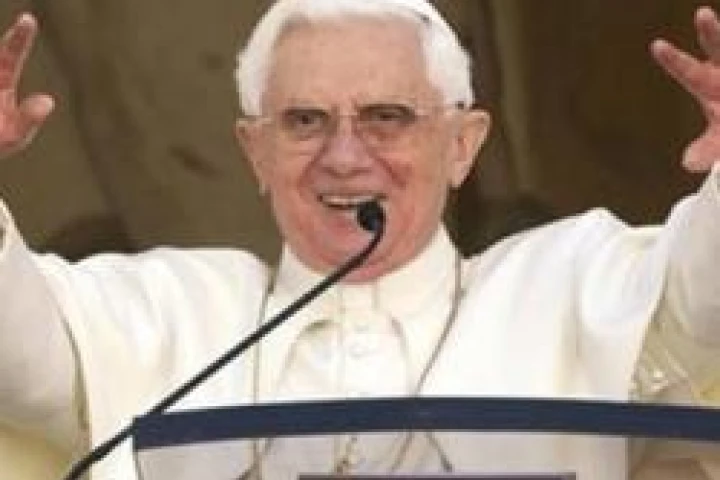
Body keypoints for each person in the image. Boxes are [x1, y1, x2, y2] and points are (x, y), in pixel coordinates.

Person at [0, 0, 719, 479]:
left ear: (462, 145)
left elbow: (705, 296)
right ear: (255, 152)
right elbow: (19, 355)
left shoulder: (566, 284)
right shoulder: (168, 312)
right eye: (304, 121)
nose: (344, 156)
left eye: (387, 117)